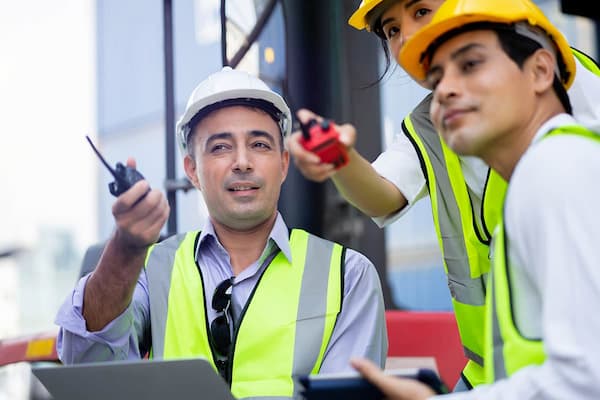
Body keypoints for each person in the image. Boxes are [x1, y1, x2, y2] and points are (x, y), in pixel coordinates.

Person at [286, 0, 600, 389]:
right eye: (391, 31)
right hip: (495, 372)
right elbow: (383, 194)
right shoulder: (435, 121)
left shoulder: (562, 162)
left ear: (542, 69)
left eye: (421, 11)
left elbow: (583, 378)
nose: (408, 39)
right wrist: (339, 159)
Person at [55, 66, 388, 399]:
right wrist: (125, 250)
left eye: (259, 144)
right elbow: (86, 362)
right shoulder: (151, 268)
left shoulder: (348, 276)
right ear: (192, 170)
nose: (242, 162)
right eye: (220, 148)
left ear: (283, 164)